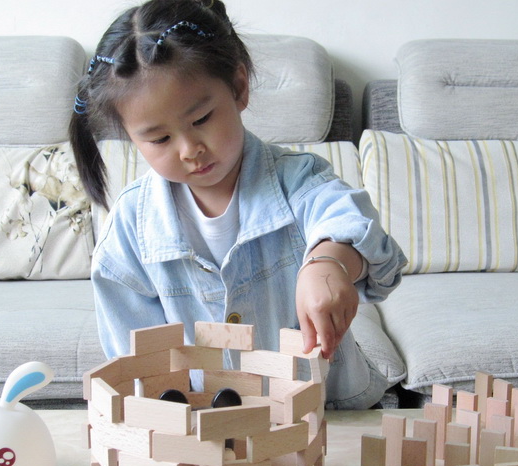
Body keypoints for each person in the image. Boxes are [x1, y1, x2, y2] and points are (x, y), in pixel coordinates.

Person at [69, 0, 406, 409]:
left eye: (201, 119)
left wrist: (329, 262)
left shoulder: (298, 180)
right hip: (203, 422)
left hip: (323, 410)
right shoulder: (129, 227)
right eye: (159, 139)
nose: (190, 149)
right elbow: (136, 360)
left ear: (239, 87)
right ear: (130, 137)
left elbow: (352, 224)